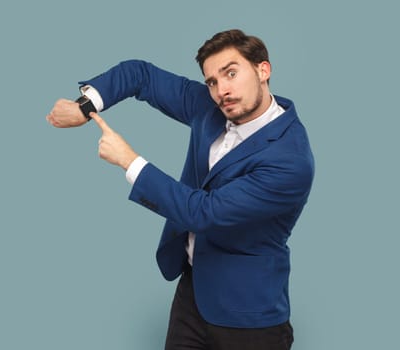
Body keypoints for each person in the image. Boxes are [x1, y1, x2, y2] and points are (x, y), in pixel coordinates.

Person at [46, 29, 314, 350]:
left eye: (231, 73)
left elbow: (204, 213)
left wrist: (129, 160)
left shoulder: (290, 159)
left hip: (247, 315)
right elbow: (141, 75)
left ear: (262, 70)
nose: (221, 90)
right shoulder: (210, 107)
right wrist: (85, 106)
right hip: (193, 293)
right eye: (212, 81)